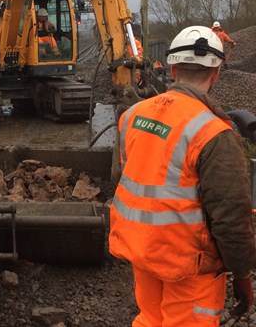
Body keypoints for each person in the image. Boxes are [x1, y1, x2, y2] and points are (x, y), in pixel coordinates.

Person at [109, 25, 256, 326]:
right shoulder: (214, 133)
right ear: (215, 75)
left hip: (143, 252)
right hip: (188, 265)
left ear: (173, 70)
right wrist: (242, 273)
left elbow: (124, 178)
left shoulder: (132, 116)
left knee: (150, 320)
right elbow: (230, 217)